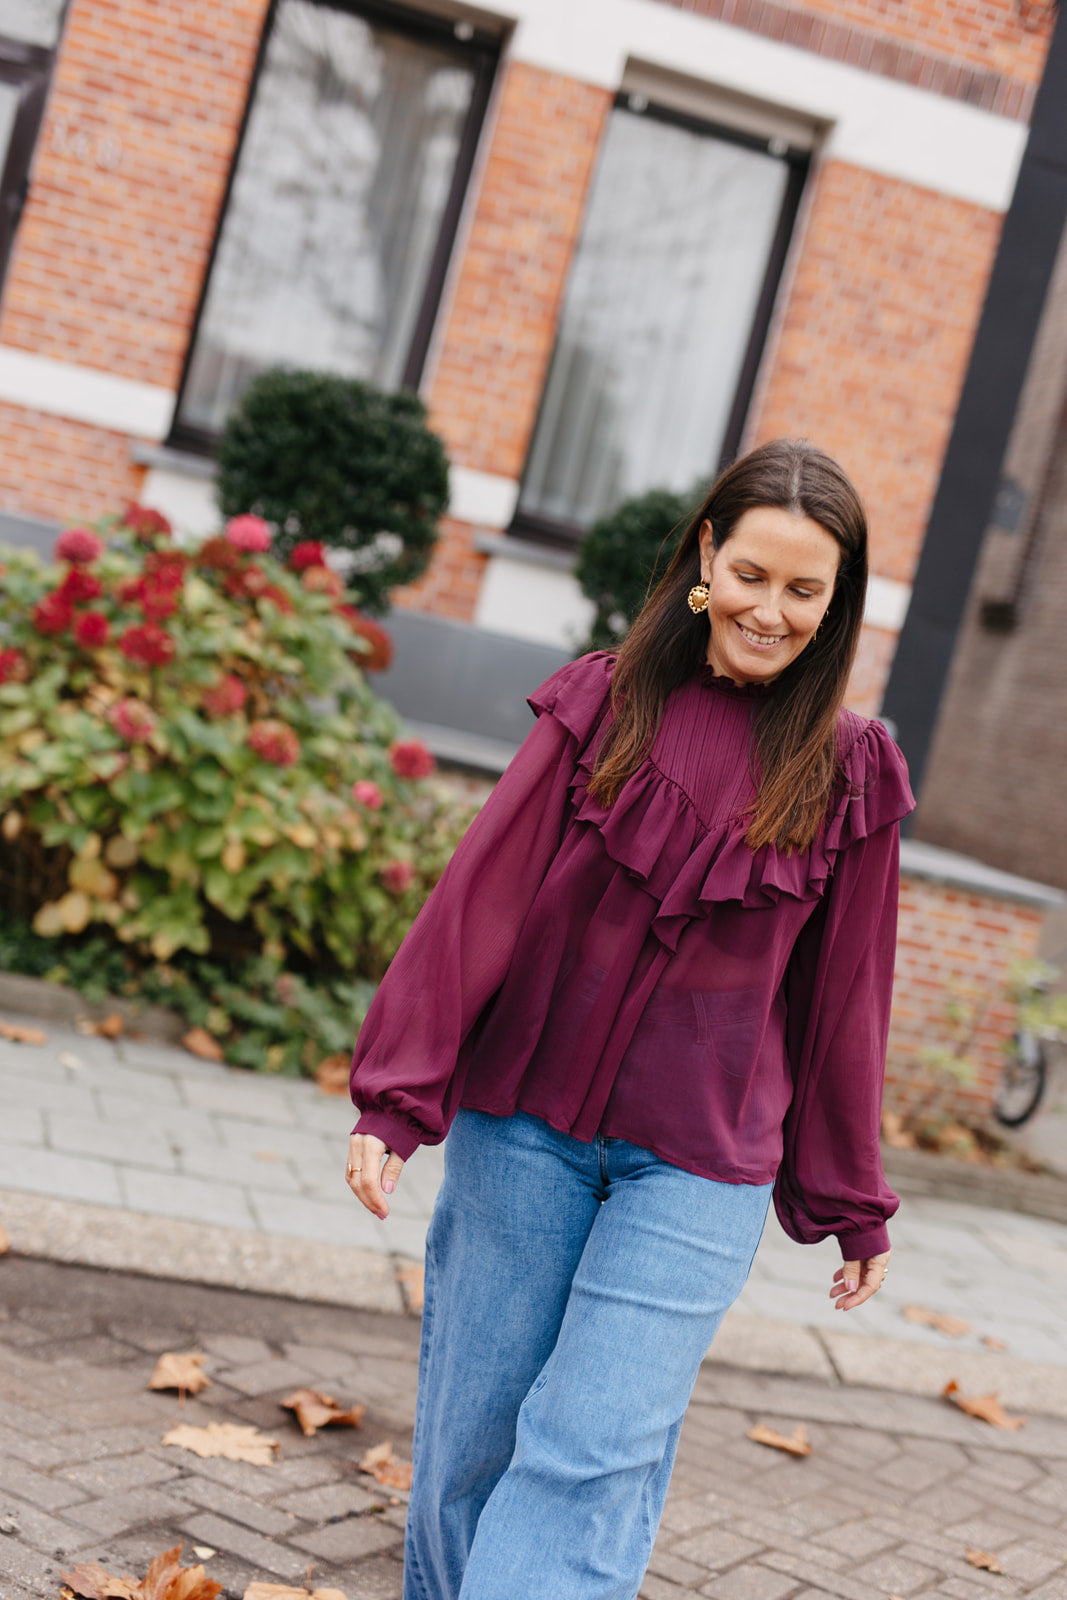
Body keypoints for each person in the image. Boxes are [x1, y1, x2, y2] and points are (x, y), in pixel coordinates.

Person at [346, 438, 914, 1600]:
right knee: (473, 1443)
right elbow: (480, 898)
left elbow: (844, 1001)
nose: (769, 610)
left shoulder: (850, 771)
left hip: (697, 1169)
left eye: (805, 591)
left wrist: (845, 1197)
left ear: (835, 603)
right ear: (707, 554)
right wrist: (399, 1095)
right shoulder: (604, 701)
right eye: (752, 574)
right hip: (522, 1132)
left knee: (592, 1445)